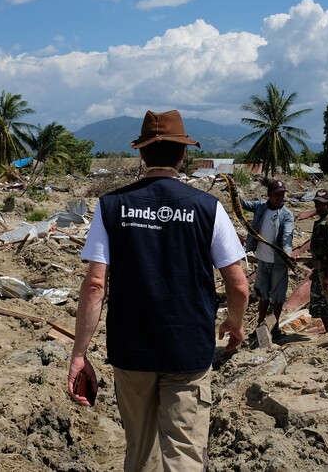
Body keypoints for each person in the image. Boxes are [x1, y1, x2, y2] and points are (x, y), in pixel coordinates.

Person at [67, 109, 249, 472]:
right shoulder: (207, 208)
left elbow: (95, 285)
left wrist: (79, 353)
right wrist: (235, 323)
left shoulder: (111, 207)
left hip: (131, 349)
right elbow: (238, 283)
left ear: (141, 153)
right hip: (188, 350)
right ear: (183, 155)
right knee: (184, 452)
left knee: (141, 450)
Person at [240, 179, 294, 341]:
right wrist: (233, 188)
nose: (280, 197)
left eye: (282, 194)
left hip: (278, 262)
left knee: (277, 297)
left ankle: (274, 328)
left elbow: (287, 237)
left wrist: (286, 256)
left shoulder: (287, 215)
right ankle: (260, 326)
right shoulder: (261, 207)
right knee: (263, 295)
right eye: (277, 194)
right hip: (263, 259)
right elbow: (242, 204)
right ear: (269, 195)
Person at [309, 188, 328, 332]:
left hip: (326, 272)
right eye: (317, 204)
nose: (318, 207)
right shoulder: (320, 222)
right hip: (319, 270)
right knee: (320, 306)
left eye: (322, 204)